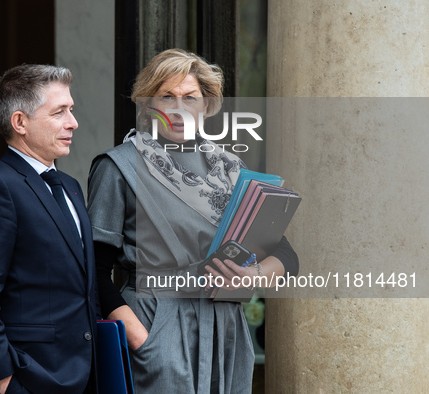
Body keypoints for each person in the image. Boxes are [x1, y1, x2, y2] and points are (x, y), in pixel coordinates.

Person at [87, 48, 299, 393]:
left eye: (190, 97)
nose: (178, 107)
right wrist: (143, 339)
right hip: (158, 323)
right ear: (148, 104)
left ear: (207, 105)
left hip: (226, 331)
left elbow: (286, 255)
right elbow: (93, 271)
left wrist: (253, 276)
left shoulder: (231, 169)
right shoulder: (118, 167)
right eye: (166, 96)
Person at [0, 64, 100, 394]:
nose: (72, 122)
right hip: (27, 377)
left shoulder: (70, 186)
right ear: (20, 122)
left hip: (83, 376)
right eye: (59, 112)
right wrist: (2, 378)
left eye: (71, 110)